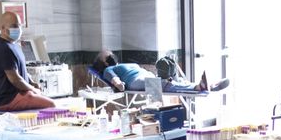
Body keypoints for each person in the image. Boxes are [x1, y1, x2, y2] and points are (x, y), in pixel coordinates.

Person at [0, 14, 55, 112]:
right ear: (3, 28)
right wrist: (33, 89)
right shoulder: (4, 48)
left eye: (20, 25)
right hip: (8, 99)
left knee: (47, 100)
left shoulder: (13, 44)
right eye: (14, 26)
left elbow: (20, 70)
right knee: (51, 105)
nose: (18, 29)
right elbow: (15, 79)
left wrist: (32, 82)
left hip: (18, 94)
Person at [90, 51, 228, 95]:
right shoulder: (108, 70)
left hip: (145, 77)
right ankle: (199, 87)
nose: (111, 54)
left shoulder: (123, 65)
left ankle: (209, 85)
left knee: (175, 80)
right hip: (135, 82)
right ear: (105, 63)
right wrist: (119, 85)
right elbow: (116, 82)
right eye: (107, 55)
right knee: (164, 84)